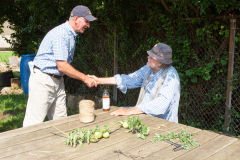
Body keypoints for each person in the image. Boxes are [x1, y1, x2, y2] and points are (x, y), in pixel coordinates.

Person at [23, 5, 98, 127]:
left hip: (57, 80)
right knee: (33, 124)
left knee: (61, 122)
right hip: (43, 80)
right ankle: (24, 145)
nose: (88, 25)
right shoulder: (61, 34)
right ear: (76, 19)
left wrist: (85, 77)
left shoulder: (71, 35)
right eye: (86, 21)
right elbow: (62, 65)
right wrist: (85, 78)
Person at [89, 43, 180, 123]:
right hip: (146, 119)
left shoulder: (171, 77)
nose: (148, 57)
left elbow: (161, 104)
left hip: (164, 127)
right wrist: (98, 80)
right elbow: (129, 79)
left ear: (160, 62)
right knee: (112, 116)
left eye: (151, 56)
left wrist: (130, 111)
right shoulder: (148, 69)